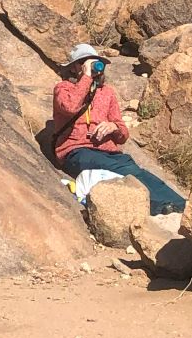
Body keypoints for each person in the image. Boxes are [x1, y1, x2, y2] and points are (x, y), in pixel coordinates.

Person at [51, 42, 185, 214]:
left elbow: (123, 135)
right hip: (77, 151)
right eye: (84, 61)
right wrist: (86, 77)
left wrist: (113, 126)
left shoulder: (106, 92)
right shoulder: (63, 88)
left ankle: (179, 204)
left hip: (108, 152)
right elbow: (70, 107)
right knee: (121, 171)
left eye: (94, 61)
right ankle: (159, 206)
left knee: (137, 170)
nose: (92, 65)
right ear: (73, 67)